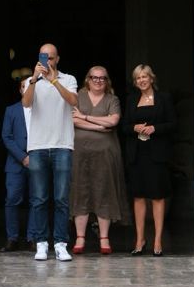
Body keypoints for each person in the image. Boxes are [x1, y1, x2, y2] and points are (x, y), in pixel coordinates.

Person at [22, 43, 78, 263]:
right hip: (37, 146)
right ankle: (41, 243)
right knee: (39, 199)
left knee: (61, 198)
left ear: (58, 59)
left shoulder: (68, 79)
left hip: (62, 144)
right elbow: (26, 103)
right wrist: (35, 79)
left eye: (51, 58)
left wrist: (54, 80)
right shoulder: (31, 80)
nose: (48, 62)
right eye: (44, 57)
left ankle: (61, 243)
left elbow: (73, 101)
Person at [70, 66, 127, 255]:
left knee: (104, 191)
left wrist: (85, 117)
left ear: (107, 81)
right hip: (80, 154)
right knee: (80, 191)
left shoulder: (112, 99)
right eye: (94, 77)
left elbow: (113, 121)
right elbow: (72, 120)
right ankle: (80, 237)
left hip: (106, 155)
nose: (98, 81)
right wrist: (98, 126)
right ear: (88, 79)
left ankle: (104, 238)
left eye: (102, 78)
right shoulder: (78, 97)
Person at [123, 64, 175, 257]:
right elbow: (124, 126)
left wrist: (155, 128)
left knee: (157, 196)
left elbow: (173, 124)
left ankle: (157, 240)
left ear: (151, 78)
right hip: (137, 154)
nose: (142, 80)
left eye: (144, 77)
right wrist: (134, 128)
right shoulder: (131, 100)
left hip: (157, 154)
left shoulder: (164, 98)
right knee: (138, 196)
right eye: (138, 78)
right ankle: (139, 239)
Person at [0, 99, 30, 252]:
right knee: (12, 199)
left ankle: (34, 238)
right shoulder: (11, 110)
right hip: (14, 162)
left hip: (37, 160)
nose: (27, 89)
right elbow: (6, 136)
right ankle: (12, 238)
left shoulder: (42, 108)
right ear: (20, 89)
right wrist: (22, 157)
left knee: (37, 200)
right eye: (24, 87)